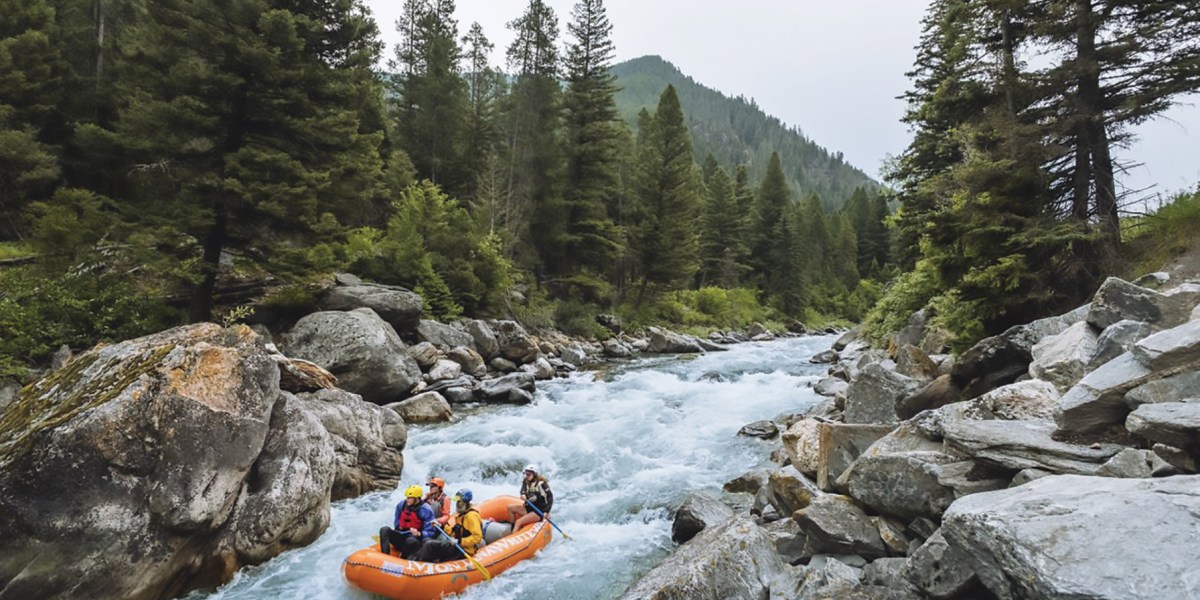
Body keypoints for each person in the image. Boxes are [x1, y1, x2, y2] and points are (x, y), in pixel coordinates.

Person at [414, 489, 483, 563]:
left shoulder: (472, 516)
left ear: (465, 502)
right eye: (457, 501)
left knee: (429, 544)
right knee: (426, 540)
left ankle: (420, 563)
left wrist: (459, 541)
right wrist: (441, 526)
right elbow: (452, 532)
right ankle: (420, 559)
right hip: (455, 546)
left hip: (463, 550)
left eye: (459, 501)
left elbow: (477, 537)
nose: (457, 504)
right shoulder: (461, 515)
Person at [379, 484, 438, 558]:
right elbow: (397, 522)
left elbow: (430, 532)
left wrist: (419, 534)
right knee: (384, 529)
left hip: (415, 541)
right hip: (401, 537)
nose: (407, 500)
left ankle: (402, 559)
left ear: (417, 498)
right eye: (407, 497)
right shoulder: (401, 505)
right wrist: (398, 528)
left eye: (410, 498)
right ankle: (384, 557)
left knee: (411, 541)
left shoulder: (426, 509)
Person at [506, 464, 553, 530]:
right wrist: (523, 494)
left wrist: (546, 511)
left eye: (528, 474)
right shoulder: (526, 481)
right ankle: (512, 528)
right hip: (529, 508)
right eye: (526, 474)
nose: (527, 476)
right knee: (510, 508)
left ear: (535, 474)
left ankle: (513, 532)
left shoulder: (542, 484)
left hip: (539, 511)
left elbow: (550, 497)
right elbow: (523, 490)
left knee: (518, 522)